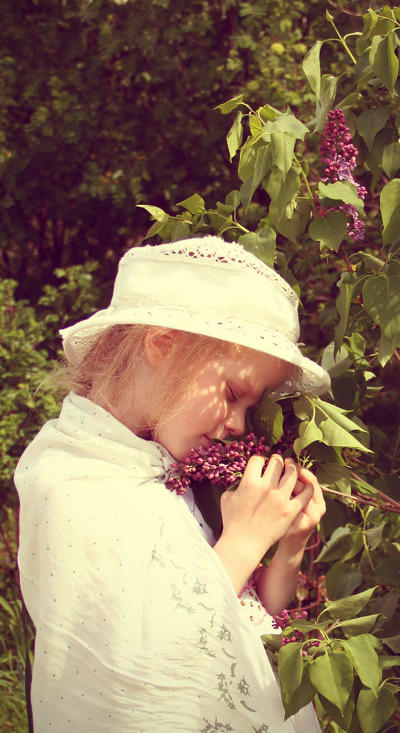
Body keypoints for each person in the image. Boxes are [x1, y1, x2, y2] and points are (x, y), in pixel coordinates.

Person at [15, 236, 331, 733]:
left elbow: (245, 620)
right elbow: (147, 669)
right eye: (233, 394)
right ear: (163, 343)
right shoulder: (68, 482)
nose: (238, 425)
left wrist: (287, 543)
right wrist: (244, 540)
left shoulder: (159, 470)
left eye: (249, 407)